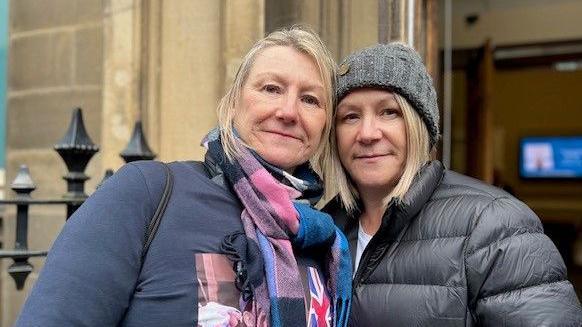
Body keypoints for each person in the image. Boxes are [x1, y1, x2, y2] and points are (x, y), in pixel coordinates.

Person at [16, 26, 351, 327]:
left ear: (325, 124)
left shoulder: (322, 239)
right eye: (271, 88)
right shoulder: (146, 194)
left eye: (310, 99)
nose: (288, 111)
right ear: (234, 103)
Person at [323, 42, 582, 326]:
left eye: (389, 112)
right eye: (350, 116)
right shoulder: (324, 227)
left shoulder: (495, 225)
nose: (368, 133)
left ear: (419, 125)